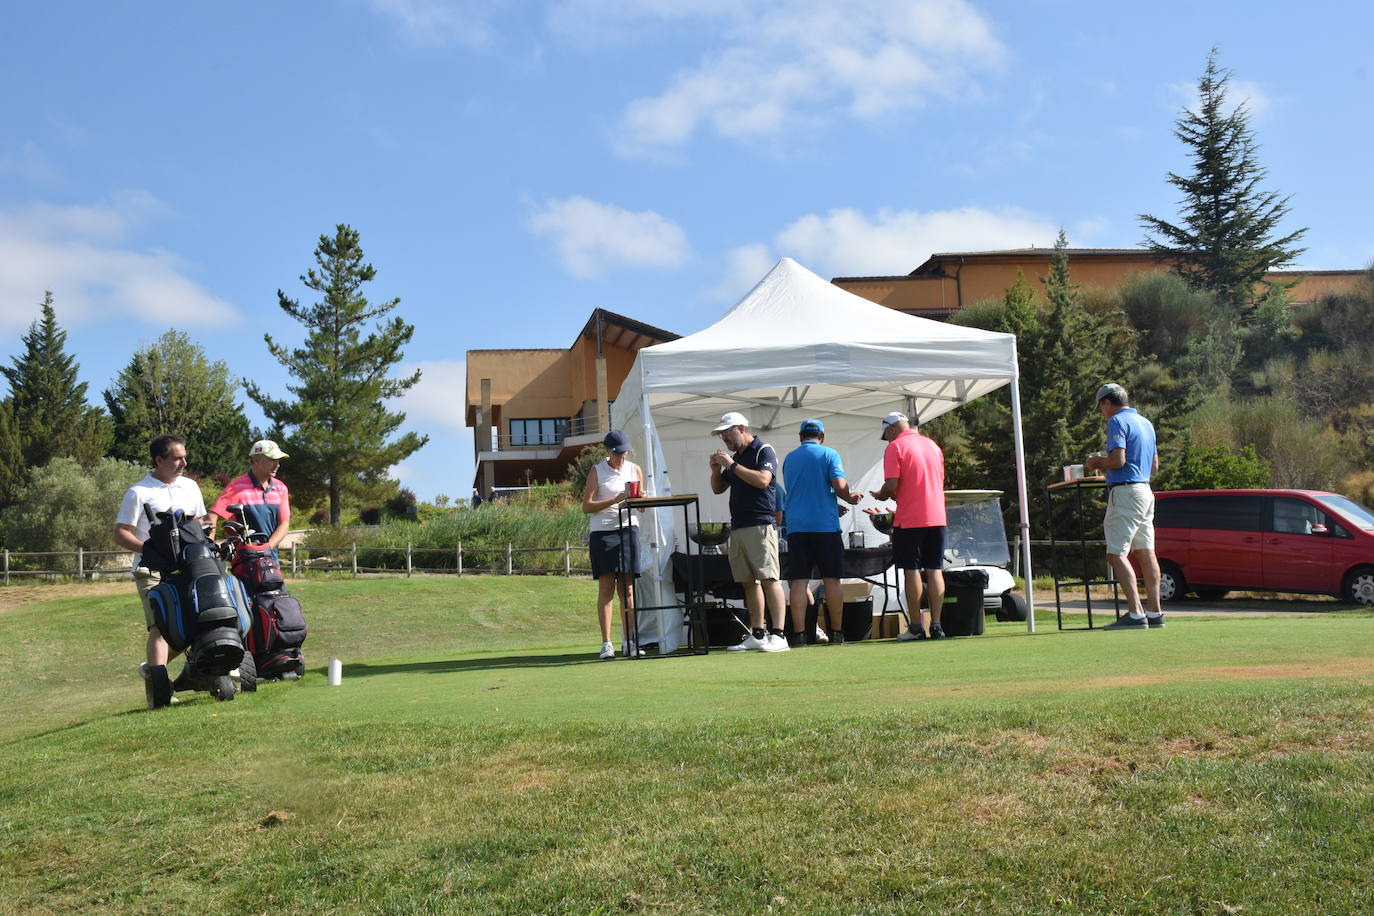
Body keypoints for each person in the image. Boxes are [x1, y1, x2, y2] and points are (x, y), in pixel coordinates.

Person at [113, 434, 208, 708]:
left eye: (184, 456)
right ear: (159, 460)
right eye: (177, 458)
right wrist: (152, 551)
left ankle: (155, 670)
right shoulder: (138, 492)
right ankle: (160, 695)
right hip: (150, 570)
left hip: (189, 566)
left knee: (198, 621)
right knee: (161, 627)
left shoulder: (190, 487)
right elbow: (120, 533)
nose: (184, 462)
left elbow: (199, 523)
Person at [1084, 383, 1163, 630]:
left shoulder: (1117, 422)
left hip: (1126, 492)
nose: (1101, 413)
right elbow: (1154, 467)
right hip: (1145, 490)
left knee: (1116, 553)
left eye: (1101, 407)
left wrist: (1096, 462)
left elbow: (1118, 460)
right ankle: (1155, 612)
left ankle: (1136, 614)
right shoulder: (1146, 423)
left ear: (1107, 403)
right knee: (1146, 551)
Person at [708, 411, 788, 653]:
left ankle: (779, 635)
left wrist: (732, 465)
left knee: (769, 579)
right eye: (721, 434)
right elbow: (718, 488)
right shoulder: (736, 456)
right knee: (748, 583)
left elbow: (764, 480)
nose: (724, 438)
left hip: (761, 524)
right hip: (739, 526)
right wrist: (715, 470)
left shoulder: (764, 450)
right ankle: (758, 633)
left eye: (727, 432)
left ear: (741, 428)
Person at [782, 419, 863, 647]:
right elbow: (838, 484)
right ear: (822, 437)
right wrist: (850, 497)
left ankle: (798, 636)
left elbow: (800, 491)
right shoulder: (830, 454)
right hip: (825, 528)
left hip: (797, 527)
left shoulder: (790, 458)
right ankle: (836, 633)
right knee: (832, 580)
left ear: (800, 437)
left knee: (799, 582)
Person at [869, 412, 948, 640]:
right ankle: (937, 625)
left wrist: (882, 494)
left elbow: (892, 483)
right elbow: (933, 481)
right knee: (935, 569)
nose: (888, 440)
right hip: (937, 516)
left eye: (886, 435)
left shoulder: (895, 447)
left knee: (911, 570)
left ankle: (915, 627)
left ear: (892, 429)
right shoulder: (933, 446)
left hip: (911, 518)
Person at [581, 429, 645, 659]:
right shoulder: (597, 471)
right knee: (606, 588)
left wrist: (642, 499)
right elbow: (586, 506)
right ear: (608, 451)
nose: (621, 457)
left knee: (627, 589)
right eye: (617, 453)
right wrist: (615, 500)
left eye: (624, 453)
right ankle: (607, 643)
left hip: (628, 530)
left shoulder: (634, 469)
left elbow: (642, 508)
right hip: (603, 533)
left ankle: (629, 641)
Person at [209, 439, 292, 551]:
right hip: (244, 560)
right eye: (272, 459)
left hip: (271, 558)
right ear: (256, 459)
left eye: (277, 460)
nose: (277, 464)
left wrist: (267, 547)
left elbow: (284, 524)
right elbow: (213, 514)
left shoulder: (281, 488)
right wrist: (209, 547)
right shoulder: (237, 486)